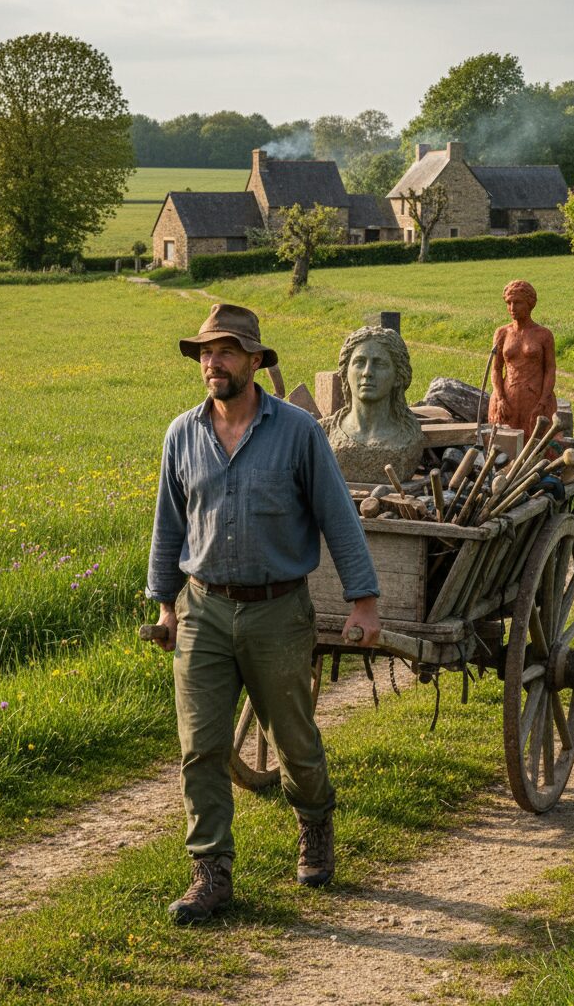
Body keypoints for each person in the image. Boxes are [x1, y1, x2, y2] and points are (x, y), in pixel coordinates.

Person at [146, 303, 381, 925]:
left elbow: (338, 516)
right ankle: (211, 873)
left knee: (295, 741)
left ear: (255, 360)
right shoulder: (182, 434)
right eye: (203, 352)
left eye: (224, 351)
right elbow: (170, 527)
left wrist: (364, 601)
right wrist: (166, 606)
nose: (211, 363)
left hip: (278, 611)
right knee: (201, 747)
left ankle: (315, 824)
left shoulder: (298, 432)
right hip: (202, 609)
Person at [320, 325, 425, 483]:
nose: (367, 372)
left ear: (398, 376)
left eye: (379, 364)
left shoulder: (409, 438)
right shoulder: (323, 433)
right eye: (359, 362)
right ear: (345, 372)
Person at [488, 280, 557, 440]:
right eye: (509, 303)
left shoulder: (543, 335)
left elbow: (550, 370)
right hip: (507, 400)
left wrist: (543, 402)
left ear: (530, 303)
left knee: (536, 445)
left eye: (518, 303)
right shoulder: (502, 333)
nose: (512, 308)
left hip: (535, 399)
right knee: (504, 446)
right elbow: (496, 369)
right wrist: (499, 398)